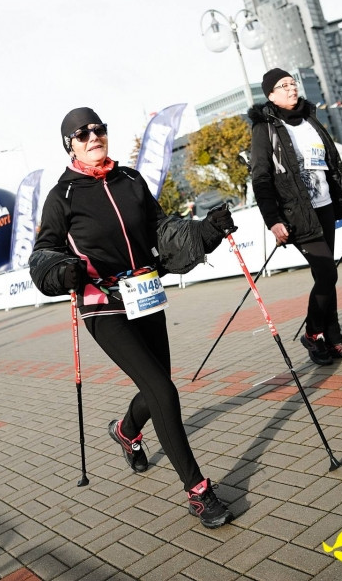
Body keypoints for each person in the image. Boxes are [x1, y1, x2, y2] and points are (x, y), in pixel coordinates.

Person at [29, 107, 237, 529]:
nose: (93, 137)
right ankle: (197, 491)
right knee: (162, 389)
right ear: (69, 144)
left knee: (157, 387)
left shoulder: (130, 180)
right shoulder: (61, 196)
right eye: (82, 133)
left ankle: (126, 430)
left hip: (145, 295)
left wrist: (205, 233)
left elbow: (162, 231)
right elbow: (42, 253)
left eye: (98, 130)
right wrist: (61, 271)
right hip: (103, 304)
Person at [248, 68, 342, 365]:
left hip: (325, 205)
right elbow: (261, 178)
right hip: (296, 213)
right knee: (327, 273)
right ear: (271, 94)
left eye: (293, 84)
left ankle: (334, 341)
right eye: (284, 86)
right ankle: (312, 334)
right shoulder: (265, 127)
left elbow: (334, 165)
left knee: (326, 276)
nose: (291, 89)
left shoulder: (310, 119)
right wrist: (273, 220)